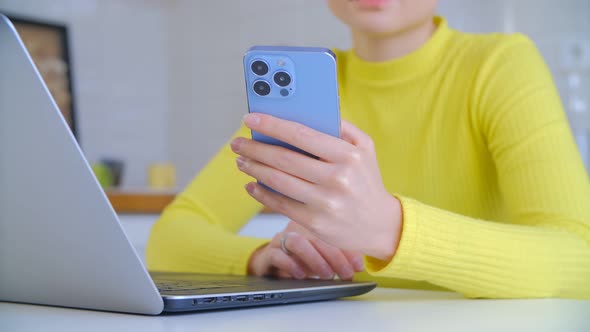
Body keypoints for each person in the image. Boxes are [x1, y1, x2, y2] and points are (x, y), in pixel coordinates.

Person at [146, 0, 590, 299]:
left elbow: (579, 256)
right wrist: (260, 259)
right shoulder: (313, 90)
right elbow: (171, 237)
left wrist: (390, 229)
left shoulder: (499, 65)